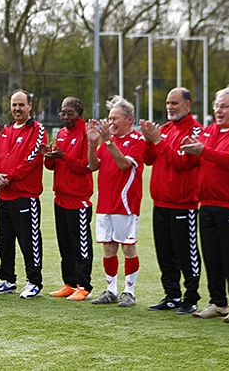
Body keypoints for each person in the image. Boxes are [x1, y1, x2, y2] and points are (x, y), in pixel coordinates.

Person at [181, 85, 229, 323]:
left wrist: (203, 151)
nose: (218, 110)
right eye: (216, 106)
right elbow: (194, 163)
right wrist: (190, 151)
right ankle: (218, 302)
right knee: (212, 257)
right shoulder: (208, 131)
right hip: (206, 203)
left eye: (224, 106)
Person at [139, 88, 202, 314]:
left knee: (186, 253)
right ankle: (172, 295)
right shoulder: (164, 129)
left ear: (187, 105)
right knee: (164, 253)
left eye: (174, 103)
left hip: (183, 204)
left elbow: (183, 163)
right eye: (167, 103)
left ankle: (191, 297)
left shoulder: (195, 131)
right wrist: (149, 141)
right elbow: (147, 160)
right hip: (160, 203)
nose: (169, 107)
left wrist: (158, 141)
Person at [0, 90, 47, 298]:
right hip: (4, 196)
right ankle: (7, 280)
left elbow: (32, 158)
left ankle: (34, 282)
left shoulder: (37, 130)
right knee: (4, 240)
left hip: (25, 196)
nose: (17, 109)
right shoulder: (5, 129)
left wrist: (9, 177)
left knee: (29, 241)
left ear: (29, 106)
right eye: (14, 105)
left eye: (21, 105)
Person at [87, 96, 145, 307]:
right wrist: (92, 143)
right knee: (108, 248)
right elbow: (93, 166)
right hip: (105, 202)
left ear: (129, 119)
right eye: (109, 118)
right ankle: (111, 290)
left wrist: (107, 141)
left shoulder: (137, 140)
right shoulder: (107, 141)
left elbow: (124, 165)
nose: (110, 122)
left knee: (128, 248)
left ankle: (129, 292)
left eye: (115, 118)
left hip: (125, 204)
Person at [40, 97, 94, 301]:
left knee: (80, 245)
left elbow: (86, 166)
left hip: (78, 199)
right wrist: (48, 157)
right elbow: (53, 166)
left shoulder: (86, 134)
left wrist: (63, 156)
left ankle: (84, 286)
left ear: (79, 114)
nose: (65, 117)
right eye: (63, 113)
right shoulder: (61, 133)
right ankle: (70, 284)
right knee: (65, 245)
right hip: (60, 198)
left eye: (70, 113)